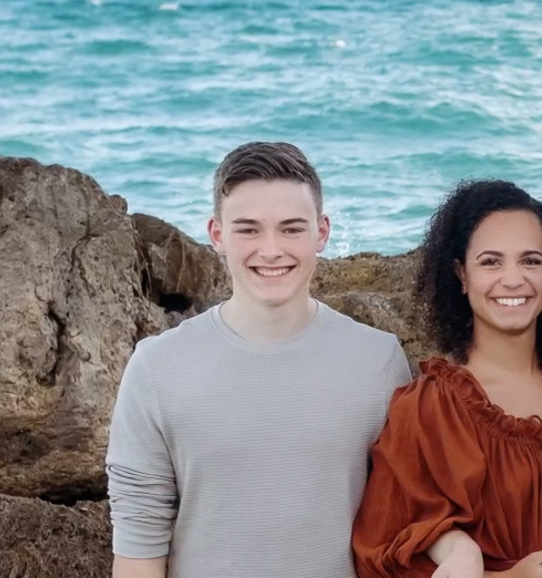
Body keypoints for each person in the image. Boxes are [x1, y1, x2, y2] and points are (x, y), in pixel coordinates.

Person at [106, 142, 413, 578]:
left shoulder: (379, 362)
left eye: (291, 229)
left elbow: (410, 517)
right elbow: (139, 540)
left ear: (321, 233)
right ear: (217, 235)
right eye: (249, 230)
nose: (271, 250)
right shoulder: (157, 367)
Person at [351, 179, 542, 578]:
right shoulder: (432, 408)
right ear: (461, 275)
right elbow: (382, 555)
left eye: (531, 260)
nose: (513, 279)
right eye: (491, 262)